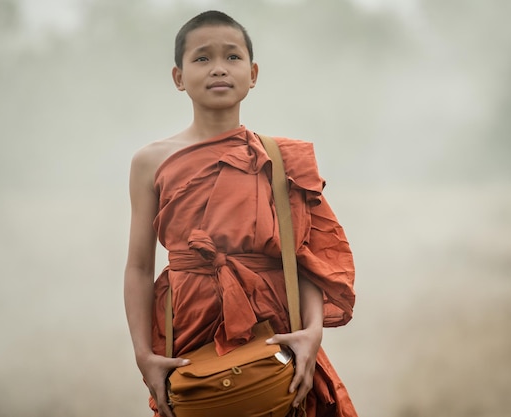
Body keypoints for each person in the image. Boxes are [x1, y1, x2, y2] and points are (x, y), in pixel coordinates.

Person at [124, 10, 357, 417]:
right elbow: (140, 267)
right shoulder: (150, 161)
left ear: (252, 73)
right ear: (178, 77)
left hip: (273, 330)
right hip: (188, 324)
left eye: (232, 58)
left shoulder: (280, 160)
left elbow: (306, 258)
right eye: (201, 58)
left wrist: (312, 333)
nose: (218, 69)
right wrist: (143, 355)